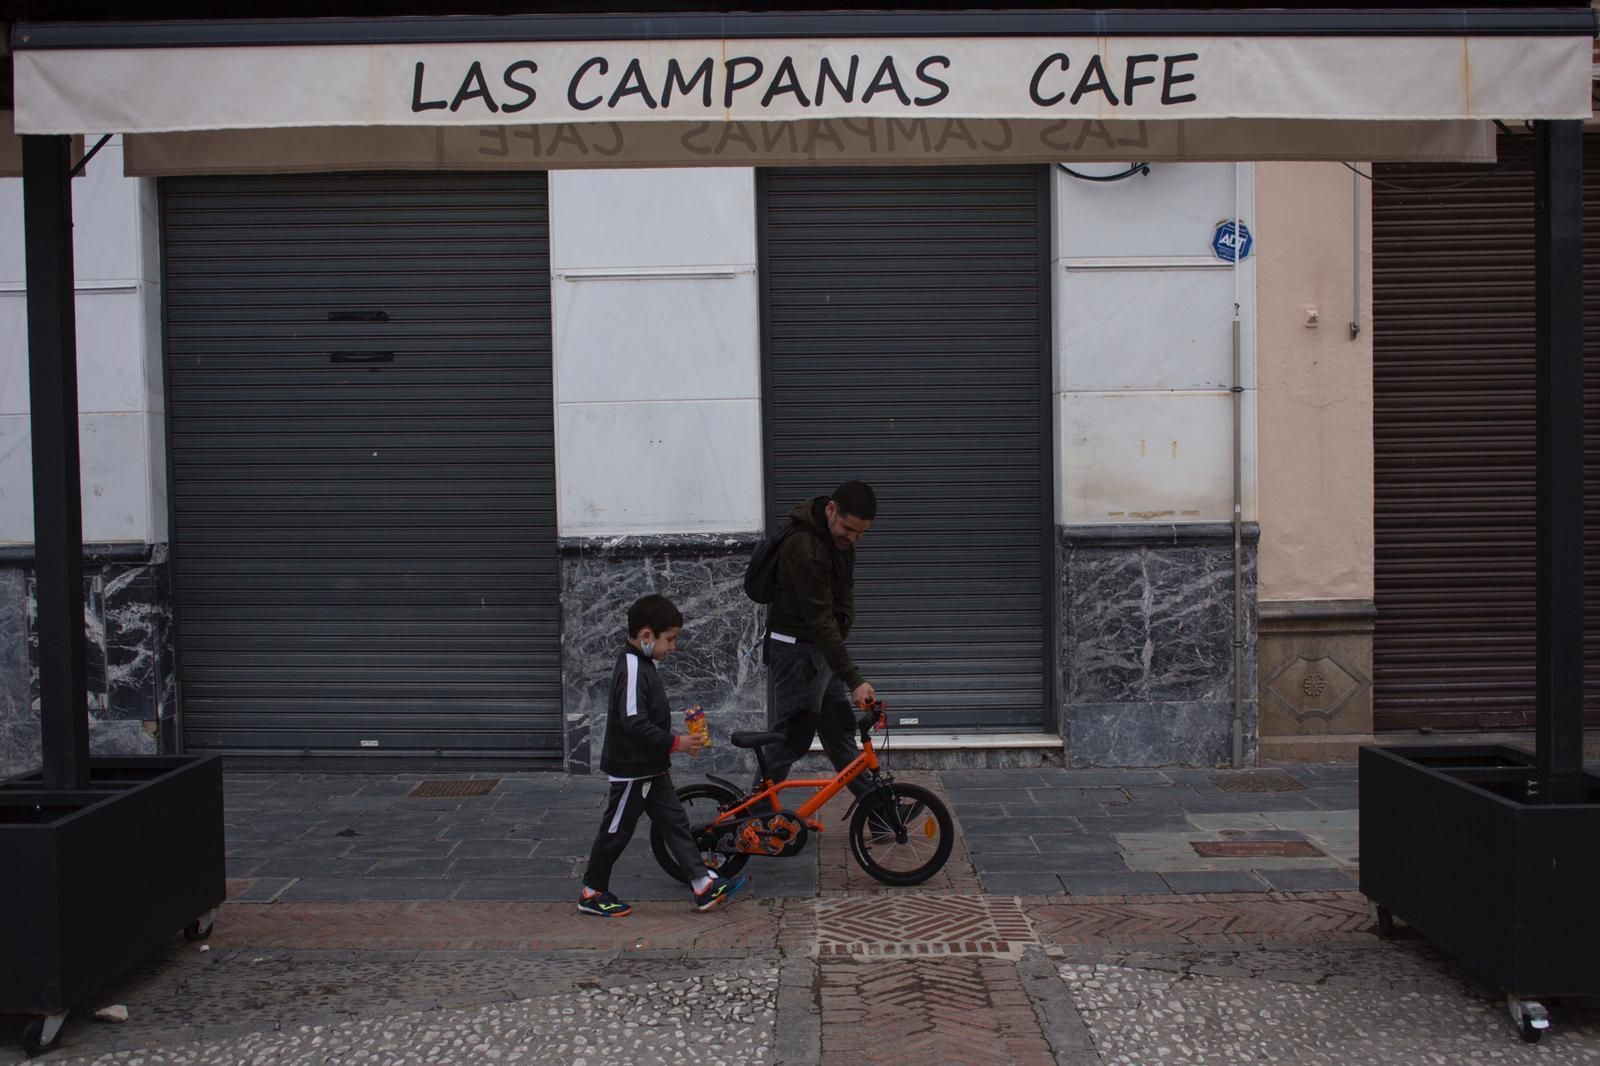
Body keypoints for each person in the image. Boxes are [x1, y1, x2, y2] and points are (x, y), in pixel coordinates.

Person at [579, 594, 747, 916]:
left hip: (651, 766)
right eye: (669, 639)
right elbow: (632, 722)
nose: (673, 647)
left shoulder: (644, 663)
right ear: (646, 636)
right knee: (616, 830)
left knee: (675, 822)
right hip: (633, 769)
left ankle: (702, 884)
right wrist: (676, 742)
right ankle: (591, 891)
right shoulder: (631, 666)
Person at [758, 480, 879, 798]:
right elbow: (820, 620)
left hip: (819, 652)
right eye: (848, 528)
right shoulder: (806, 548)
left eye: (861, 533)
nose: (853, 538)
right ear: (830, 510)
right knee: (790, 739)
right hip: (797, 654)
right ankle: (751, 815)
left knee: (839, 731)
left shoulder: (836, 542)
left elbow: (842, 598)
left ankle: (877, 809)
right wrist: (853, 678)